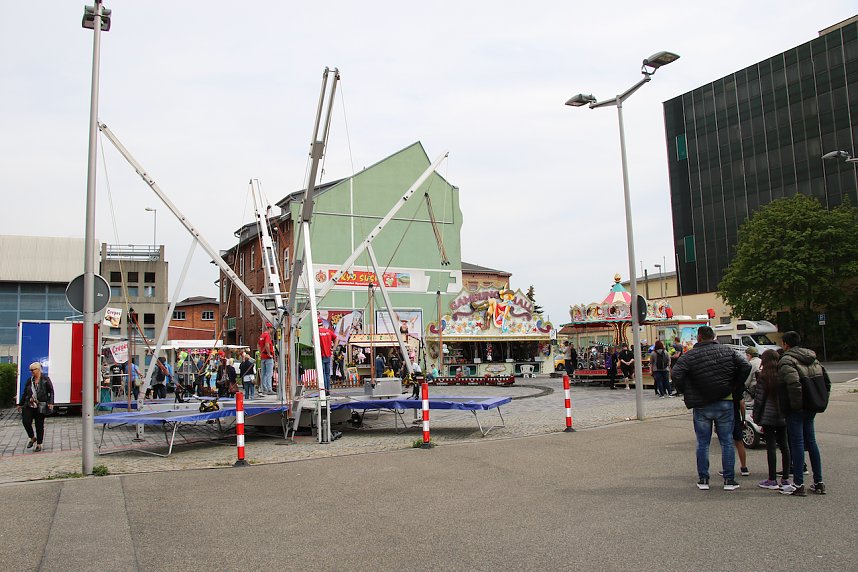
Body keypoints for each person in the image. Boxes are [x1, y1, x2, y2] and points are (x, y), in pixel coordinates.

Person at [671, 325, 751, 491]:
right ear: (714, 337)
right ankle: (729, 480)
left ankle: (704, 479)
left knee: (702, 442)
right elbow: (745, 365)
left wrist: (686, 390)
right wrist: (735, 385)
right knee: (727, 441)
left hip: (701, 403)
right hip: (725, 401)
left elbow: (676, 373)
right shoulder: (728, 351)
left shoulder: (690, 355)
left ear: (699, 338)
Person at [778, 331, 829, 496]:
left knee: (797, 444)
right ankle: (818, 482)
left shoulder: (786, 360)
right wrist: (820, 399)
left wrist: (794, 406)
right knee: (811, 442)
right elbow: (826, 381)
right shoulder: (813, 358)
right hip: (812, 405)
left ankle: (798, 483)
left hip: (797, 408)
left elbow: (793, 385)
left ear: (786, 344)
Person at [753, 349, 791, 490]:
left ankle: (772, 479)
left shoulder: (764, 376)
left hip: (768, 415)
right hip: (783, 414)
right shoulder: (783, 373)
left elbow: (759, 399)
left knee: (771, 447)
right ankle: (786, 478)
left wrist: (756, 416)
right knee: (784, 445)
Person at [18, 362, 54, 452]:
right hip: (29, 404)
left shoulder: (45, 379)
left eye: (33, 370)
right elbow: (25, 393)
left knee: (39, 425)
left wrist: (50, 402)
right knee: (26, 421)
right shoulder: (29, 380)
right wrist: (20, 404)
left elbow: (51, 391)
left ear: (38, 370)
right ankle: (32, 437)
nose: (31, 372)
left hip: (40, 405)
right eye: (30, 370)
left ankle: (39, 444)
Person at [317, 317, 338, 392]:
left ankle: (325, 390)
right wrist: (334, 348)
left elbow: (313, 341)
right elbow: (336, 338)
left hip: (321, 355)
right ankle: (328, 390)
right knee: (327, 373)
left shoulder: (317, 332)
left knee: (322, 374)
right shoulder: (328, 331)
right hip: (328, 354)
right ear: (322, 324)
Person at [258, 323, 276, 395]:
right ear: (270, 328)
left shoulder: (262, 335)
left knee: (263, 374)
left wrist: (260, 353)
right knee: (269, 374)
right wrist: (269, 354)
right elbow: (267, 344)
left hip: (263, 357)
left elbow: (258, 345)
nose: (272, 330)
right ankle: (269, 389)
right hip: (268, 357)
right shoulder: (267, 336)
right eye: (272, 329)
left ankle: (264, 389)